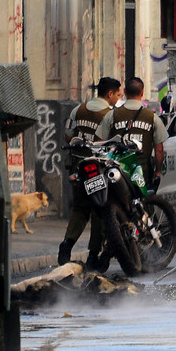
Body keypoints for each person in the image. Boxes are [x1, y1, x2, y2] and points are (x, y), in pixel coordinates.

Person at [57, 77, 122, 267]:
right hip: (100, 170)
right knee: (100, 211)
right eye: (118, 95)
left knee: (80, 208)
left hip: (79, 168)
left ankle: (66, 245)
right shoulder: (111, 114)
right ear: (109, 94)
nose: (118, 99)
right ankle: (93, 254)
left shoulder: (78, 110)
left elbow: (68, 137)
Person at [96, 76, 168, 190]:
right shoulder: (152, 118)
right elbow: (159, 150)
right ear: (142, 92)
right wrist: (157, 172)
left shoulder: (112, 115)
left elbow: (100, 142)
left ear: (124, 92)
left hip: (117, 169)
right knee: (143, 200)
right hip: (142, 170)